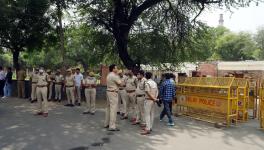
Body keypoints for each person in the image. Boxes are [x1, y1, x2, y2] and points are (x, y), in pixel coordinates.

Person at [104, 64, 121, 131]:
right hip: (113, 93)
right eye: (116, 68)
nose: (117, 69)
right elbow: (120, 83)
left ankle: (106, 123)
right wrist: (119, 76)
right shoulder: (114, 75)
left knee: (108, 108)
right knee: (113, 109)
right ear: (113, 69)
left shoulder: (109, 75)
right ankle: (112, 126)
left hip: (108, 92)